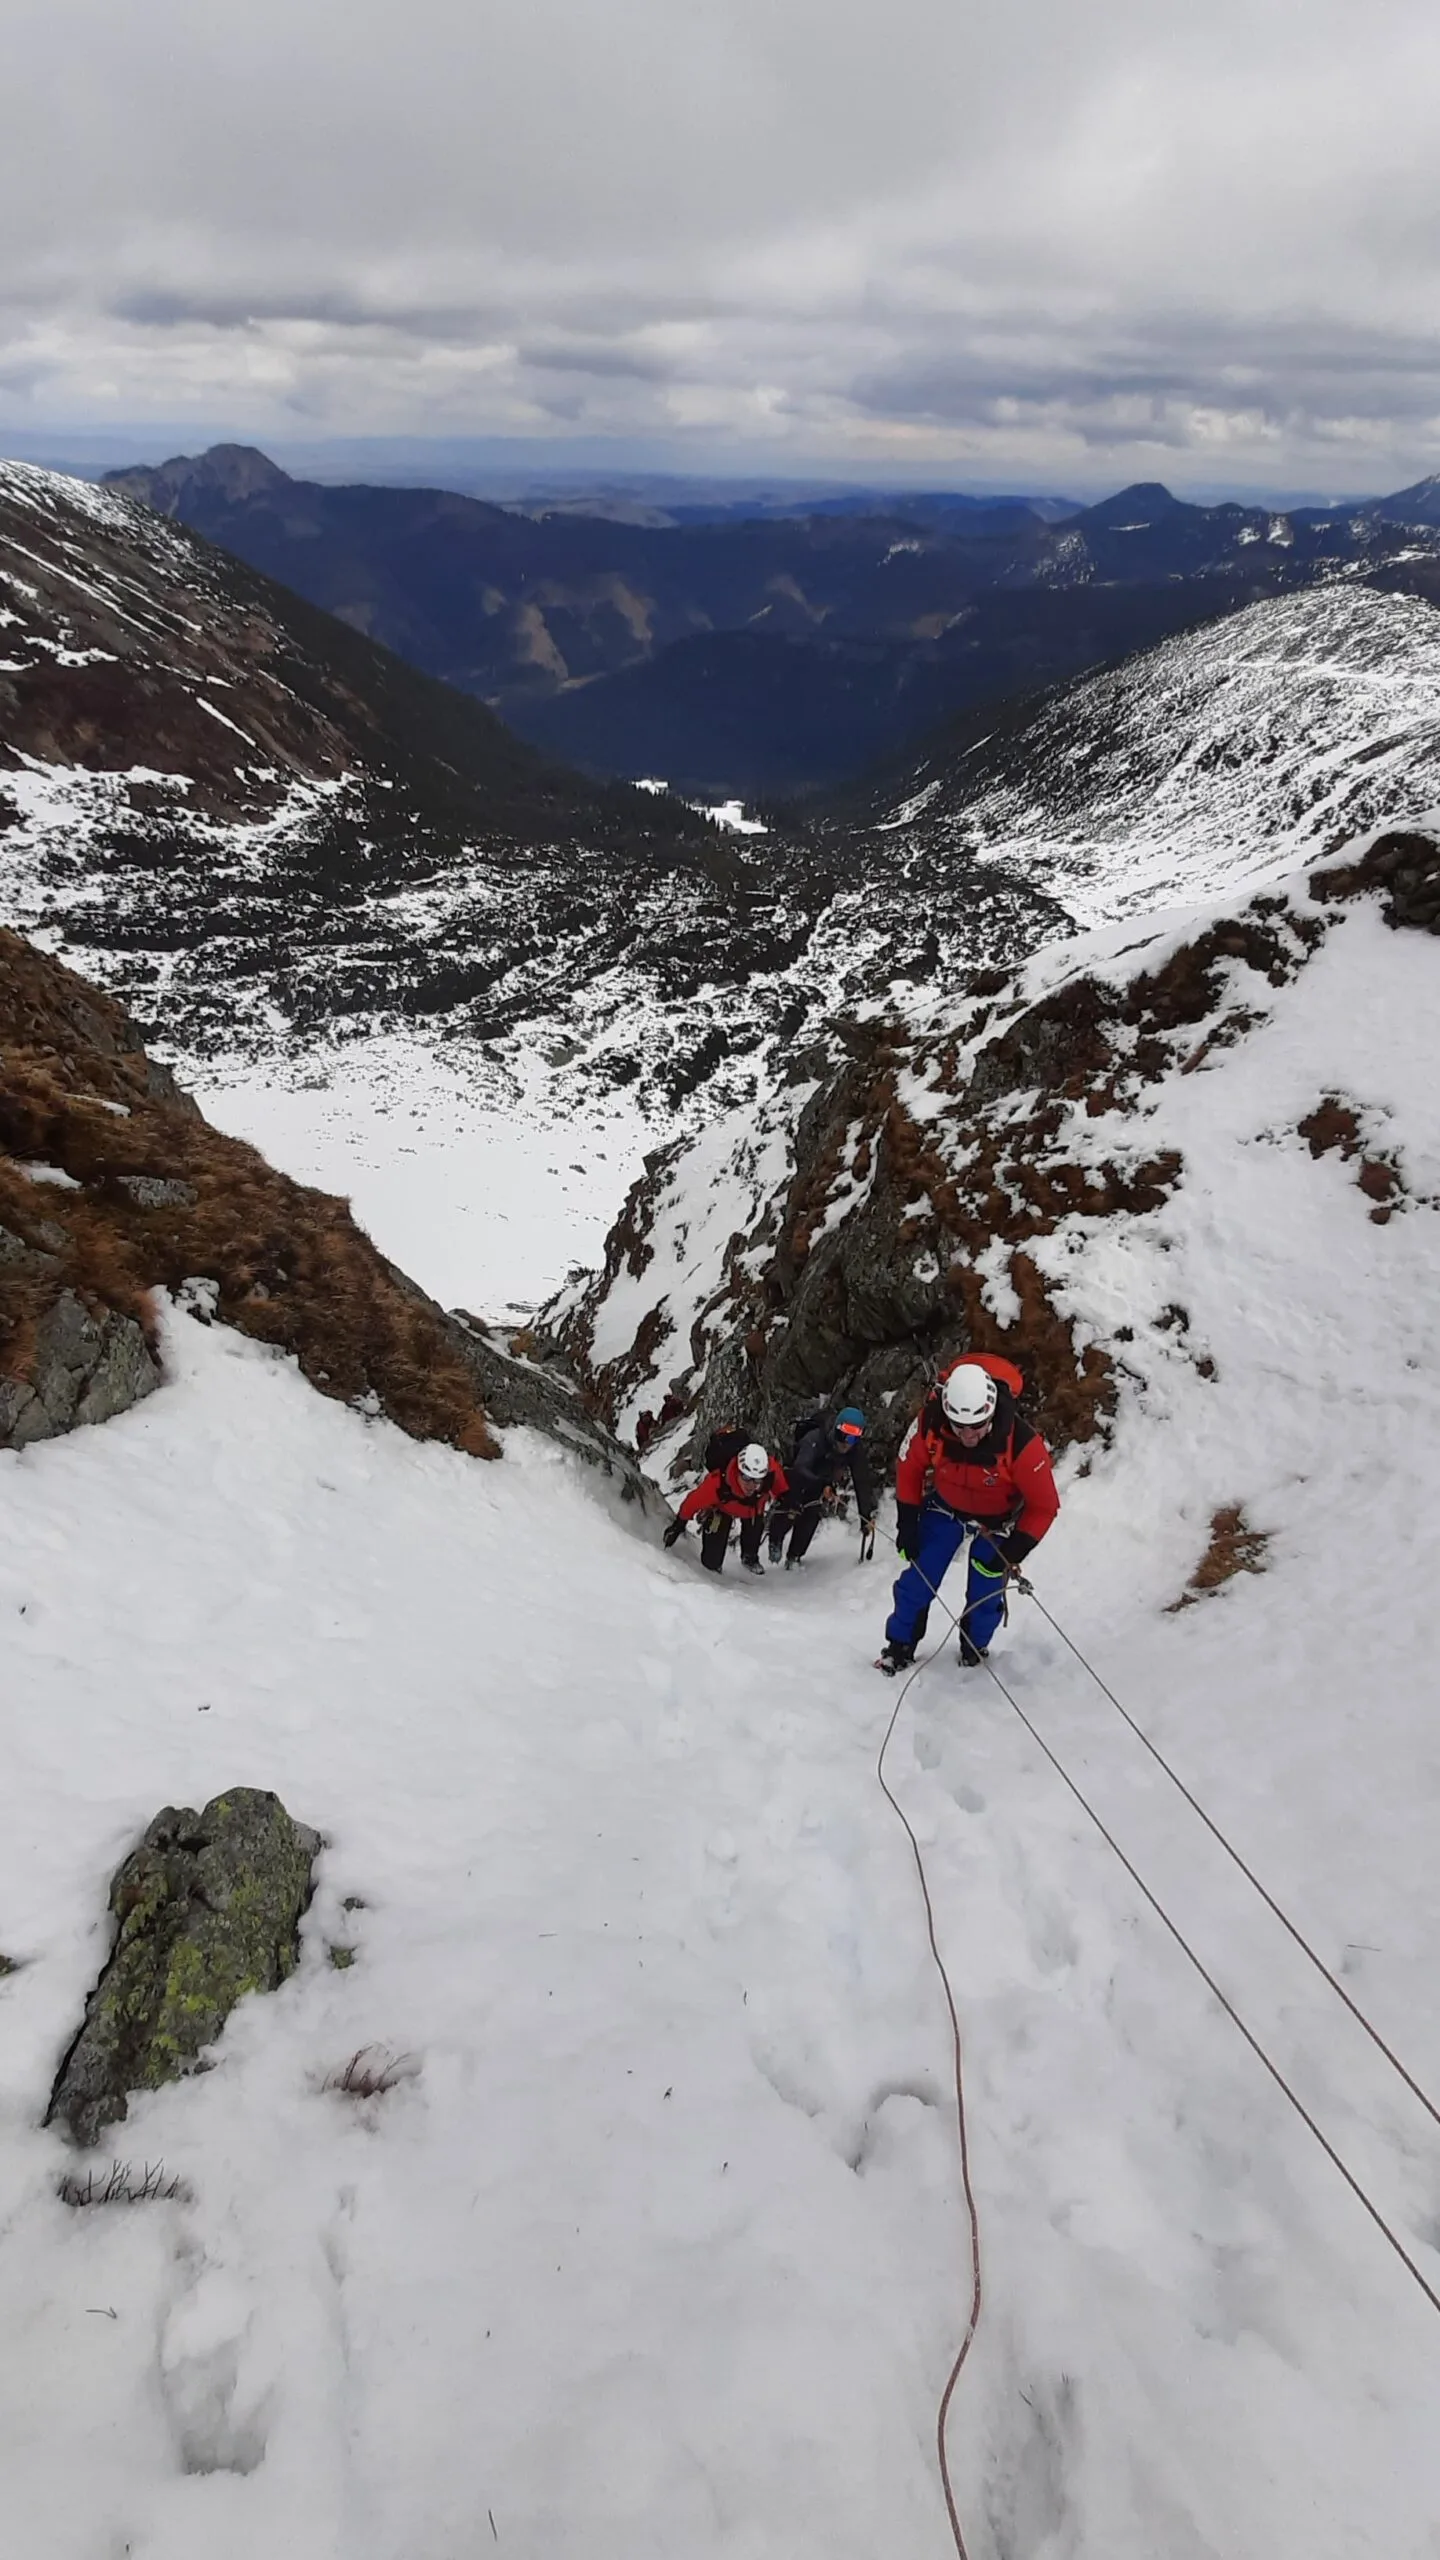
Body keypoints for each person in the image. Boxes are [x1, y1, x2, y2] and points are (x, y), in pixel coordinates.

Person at [877, 1355, 1059, 1674]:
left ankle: (974, 1647)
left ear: (990, 1413)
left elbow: (1044, 1506)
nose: (968, 1435)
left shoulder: (1022, 1444)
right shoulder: (930, 1423)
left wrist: (1012, 1552)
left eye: (976, 1427)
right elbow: (909, 1467)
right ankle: (899, 1645)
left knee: (985, 1591)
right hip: (946, 1507)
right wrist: (907, 1523)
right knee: (918, 1580)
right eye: (959, 1427)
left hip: (998, 1521)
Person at [768, 1406, 878, 1567]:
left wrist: (865, 1517)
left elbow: (862, 1481)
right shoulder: (814, 1439)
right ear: (836, 1429)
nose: (847, 1443)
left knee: (811, 1516)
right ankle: (775, 1540)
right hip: (797, 1478)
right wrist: (823, 1484)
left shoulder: (855, 1450)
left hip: (822, 1482)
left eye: (853, 1439)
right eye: (844, 1436)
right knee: (790, 1509)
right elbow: (800, 1467)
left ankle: (795, 1556)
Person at [663, 1441, 788, 1576]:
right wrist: (678, 1525)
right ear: (738, 1471)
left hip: (753, 1511)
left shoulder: (771, 1472)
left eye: (757, 1480)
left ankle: (749, 1558)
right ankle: (714, 1570)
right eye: (746, 1478)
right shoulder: (717, 1483)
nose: (751, 1485)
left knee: (754, 1530)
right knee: (711, 1562)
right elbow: (691, 1503)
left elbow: (782, 1489)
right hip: (722, 1510)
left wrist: (785, 1500)